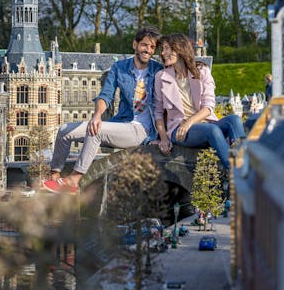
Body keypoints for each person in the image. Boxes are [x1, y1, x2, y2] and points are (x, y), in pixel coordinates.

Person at [41, 26, 163, 194]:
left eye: (152, 47)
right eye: (144, 45)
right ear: (135, 44)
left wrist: (162, 136)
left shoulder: (158, 71)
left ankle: (74, 179)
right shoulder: (119, 68)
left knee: (96, 131)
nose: (148, 50)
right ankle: (54, 177)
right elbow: (106, 95)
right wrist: (97, 115)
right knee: (64, 131)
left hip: (142, 131)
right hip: (122, 123)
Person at [152, 33, 245, 171]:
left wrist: (190, 122)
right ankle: (235, 173)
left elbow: (209, 107)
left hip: (203, 122)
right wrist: (164, 139)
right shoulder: (161, 77)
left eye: (166, 48)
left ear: (179, 49)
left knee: (234, 120)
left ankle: (243, 163)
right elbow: (158, 113)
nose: (163, 53)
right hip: (179, 129)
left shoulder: (202, 71)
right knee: (212, 130)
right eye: (163, 49)